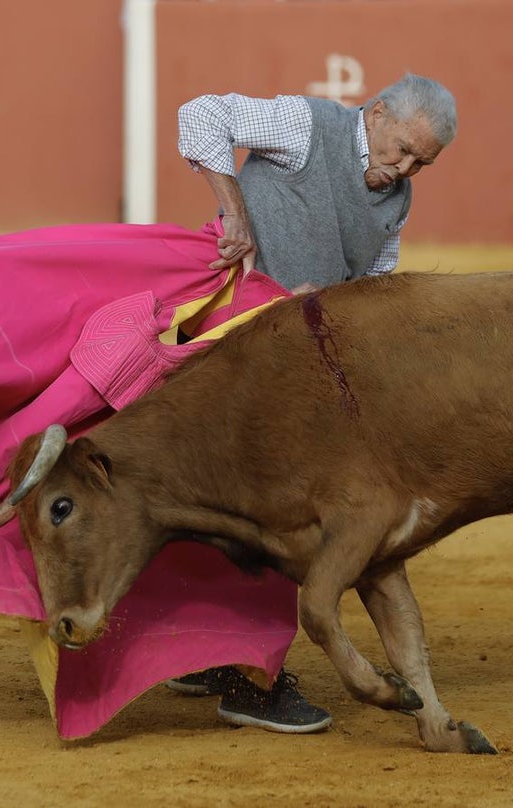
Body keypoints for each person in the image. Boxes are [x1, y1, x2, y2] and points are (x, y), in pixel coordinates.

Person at [168, 72, 458, 733]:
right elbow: (201, 112)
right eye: (402, 149)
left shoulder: (396, 200)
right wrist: (234, 213)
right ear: (378, 114)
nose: (405, 168)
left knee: (225, 512)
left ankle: (206, 650)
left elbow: (374, 287)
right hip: (227, 350)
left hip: (295, 373)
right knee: (284, 520)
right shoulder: (306, 129)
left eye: (422, 162)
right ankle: (248, 678)